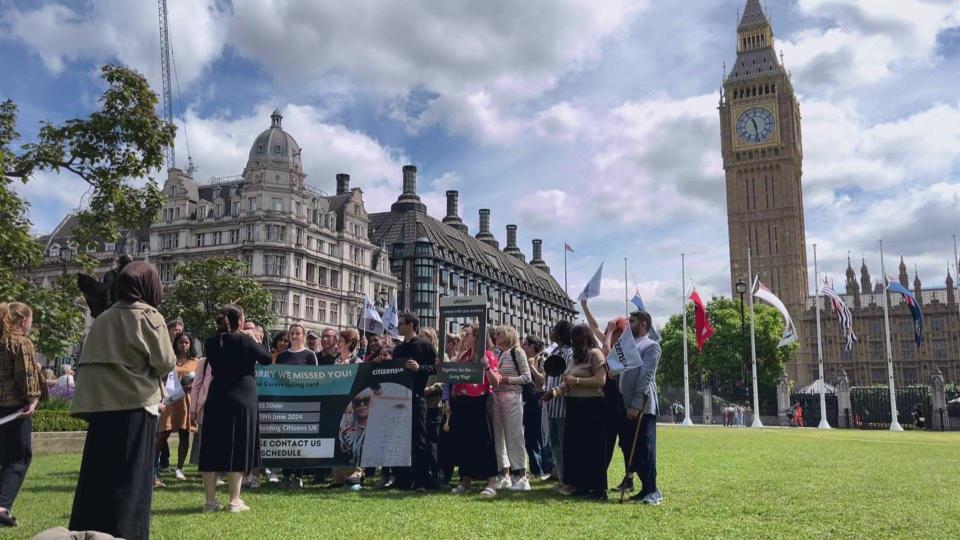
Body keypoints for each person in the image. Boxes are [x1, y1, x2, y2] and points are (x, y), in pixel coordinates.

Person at [69, 262, 177, 539]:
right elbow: (165, 362)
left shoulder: (103, 318)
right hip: (135, 406)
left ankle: (88, 530)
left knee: (96, 476)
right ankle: (126, 533)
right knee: (132, 481)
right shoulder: (149, 316)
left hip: (100, 408)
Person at [197, 305, 272, 513]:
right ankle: (234, 500)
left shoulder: (210, 342)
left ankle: (210, 501)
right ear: (239, 321)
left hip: (217, 394)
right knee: (237, 444)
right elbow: (266, 358)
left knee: (211, 446)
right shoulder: (244, 340)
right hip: (242, 395)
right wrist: (254, 338)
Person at [542, 324, 607, 500]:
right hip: (573, 405)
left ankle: (598, 488)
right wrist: (554, 392)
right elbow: (567, 381)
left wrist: (577, 380)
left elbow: (600, 380)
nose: (572, 341)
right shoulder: (576, 358)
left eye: (575, 337)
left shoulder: (595, 354)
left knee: (593, 449)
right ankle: (580, 485)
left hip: (591, 405)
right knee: (575, 448)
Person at [0, 302, 43, 528]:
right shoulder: (21, 342)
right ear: (22, 321)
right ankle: (2, 505)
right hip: (15, 407)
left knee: (4, 457)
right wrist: (32, 399)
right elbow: (25, 374)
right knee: (19, 457)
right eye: (31, 320)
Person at [449, 324, 501, 498]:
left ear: (477, 337)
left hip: (480, 401)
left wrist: (486, 368)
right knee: (465, 442)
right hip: (463, 401)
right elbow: (451, 372)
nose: (465, 336)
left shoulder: (488, 356)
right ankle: (465, 481)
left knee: (484, 441)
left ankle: (492, 482)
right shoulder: (464, 355)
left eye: (468, 334)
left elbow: (495, 383)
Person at [392, 311, 439, 491]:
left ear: (411, 324)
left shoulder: (425, 345)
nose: (399, 325)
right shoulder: (398, 349)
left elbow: (436, 368)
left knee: (420, 440)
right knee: (400, 439)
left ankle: (421, 480)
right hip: (398, 398)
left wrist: (420, 368)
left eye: (402, 322)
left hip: (417, 397)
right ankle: (403, 479)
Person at [619, 310, 662, 505]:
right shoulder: (630, 345)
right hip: (625, 404)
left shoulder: (651, 346)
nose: (629, 324)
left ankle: (653, 491)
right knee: (631, 448)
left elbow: (646, 376)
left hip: (643, 406)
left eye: (633, 321)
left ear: (643, 324)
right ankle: (644, 487)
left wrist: (636, 403)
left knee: (645, 449)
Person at [275, 323, 318, 489]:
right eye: (292, 333)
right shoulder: (282, 357)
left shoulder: (310, 355)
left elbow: (315, 379)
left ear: (303, 336)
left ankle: (298, 475)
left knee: (301, 441)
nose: (294, 336)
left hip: (304, 403)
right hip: (285, 403)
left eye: (297, 333)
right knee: (286, 439)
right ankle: (286, 475)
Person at [490, 325, 532, 492]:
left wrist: (506, 380)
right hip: (497, 397)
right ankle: (505, 474)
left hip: (512, 397)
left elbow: (527, 377)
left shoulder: (517, 352)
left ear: (508, 335)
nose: (496, 336)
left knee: (515, 436)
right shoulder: (497, 353)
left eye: (499, 333)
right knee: (499, 437)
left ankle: (522, 475)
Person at [156, 332, 199, 483]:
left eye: (187, 342)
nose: (184, 345)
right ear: (176, 344)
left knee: (184, 434)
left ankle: (179, 468)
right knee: (163, 433)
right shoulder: (170, 360)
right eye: (181, 342)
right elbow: (161, 377)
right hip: (171, 399)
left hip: (187, 400)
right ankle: (152, 466)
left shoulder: (196, 362)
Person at [543, 320, 572, 492]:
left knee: (563, 445)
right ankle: (562, 479)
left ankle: (569, 480)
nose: (550, 332)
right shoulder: (554, 351)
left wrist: (554, 391)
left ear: (560, 334)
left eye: (553, 329)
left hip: (562, 405)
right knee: (554, 444)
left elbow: (566, 377)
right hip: (551, 405)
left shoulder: (569, 353)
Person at [521, 335, 549, 481]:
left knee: (539, 434)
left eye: (525, 345)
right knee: (530, 437)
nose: (523, 347)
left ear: (532, 346)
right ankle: (535, 468)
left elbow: (543, 380)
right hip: (528, 400)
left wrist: (532, 367)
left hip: (539, 398)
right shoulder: (523, 360)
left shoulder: (541, 359)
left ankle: (544, 468)